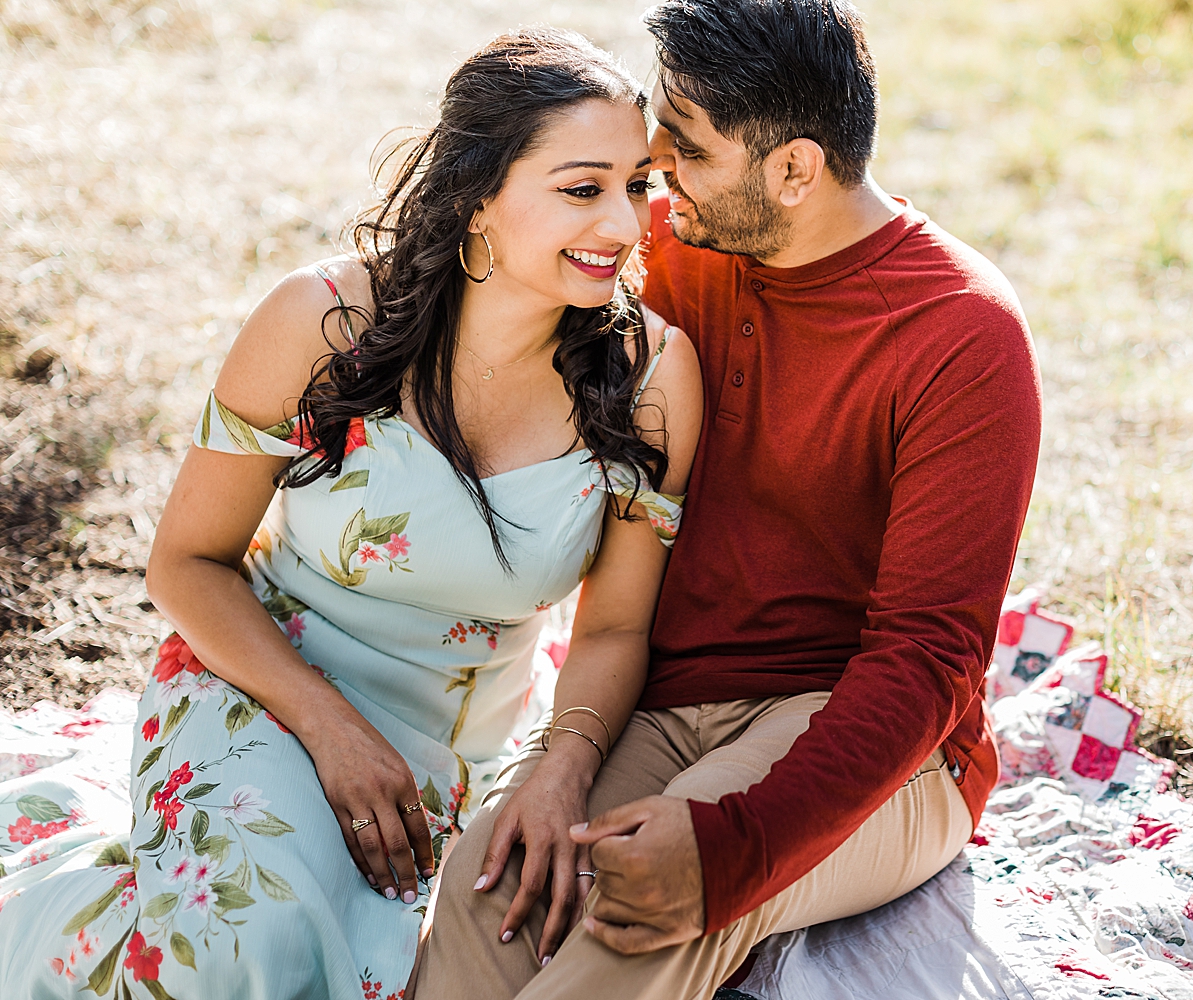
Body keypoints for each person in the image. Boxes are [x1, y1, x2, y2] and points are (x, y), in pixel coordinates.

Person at [0, 29, 700, 1000]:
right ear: (479, 195)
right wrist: (330, 728)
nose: (625, 224)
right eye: (584, 188)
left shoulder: (652, 374)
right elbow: (188, 564)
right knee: (249, 944)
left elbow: (616, 624)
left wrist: (562, 767)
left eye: (639, 184)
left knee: (403, 972)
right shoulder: (321, 321)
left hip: (453, 747)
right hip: (264, 683)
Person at [408, 1, 1043, 998]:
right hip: (661, 701)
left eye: (688, 149)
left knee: (638, 916)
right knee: (493, 877)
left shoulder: (963, 334)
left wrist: (729, 849)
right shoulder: (664, 247)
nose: (655, 169)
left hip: (864, 734)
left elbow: (928, 659)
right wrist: (565, 754)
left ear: (794, 170)